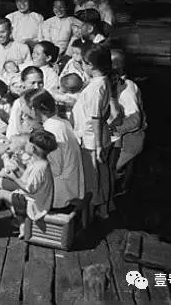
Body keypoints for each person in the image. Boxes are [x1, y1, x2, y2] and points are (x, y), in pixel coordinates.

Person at [0, 129, 56, 236]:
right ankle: (22, 224)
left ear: (33, 148)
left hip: (34, 204)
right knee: (9, 195)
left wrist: (14, 178)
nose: (26, 146)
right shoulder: (39, 162)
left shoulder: (39, 168)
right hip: (36, 199)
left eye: (28, 143)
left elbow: (29, 189)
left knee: (1, 194)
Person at [23, 90, 84, 209]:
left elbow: (55, 168)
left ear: (34, 110)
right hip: (71, 184)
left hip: (61, 193)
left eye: (24, 105)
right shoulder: (60, 122)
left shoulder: (51, 130)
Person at [71, 44, 113, 218]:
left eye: (83, 63)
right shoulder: (102, 81)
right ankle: (103, 209)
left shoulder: (96, 88)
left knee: (93, 178)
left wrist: (98, 146)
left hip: (92, 140)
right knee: (101, 176)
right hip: (97, 136)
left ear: (91, 65)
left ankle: (93, 213)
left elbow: (95, 117)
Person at [109, 50, 147, 179]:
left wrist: (110, 130)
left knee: (108, 173)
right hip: (119, 141)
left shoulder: (127, 89)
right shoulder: (114, 84)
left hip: (128, 144)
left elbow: (135, 120)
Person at [6, 66, 44, 138]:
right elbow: (13, 130)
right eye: (32, 83)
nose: (36, 86)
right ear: (23, 83)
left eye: (40, 82)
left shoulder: (48, 101)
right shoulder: (19, 103)